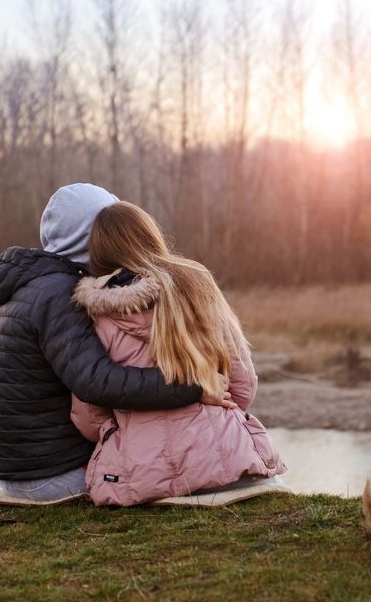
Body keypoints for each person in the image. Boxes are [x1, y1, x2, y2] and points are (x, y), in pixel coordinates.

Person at [0, 183, 234, 505]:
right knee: (163, 467)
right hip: (54, 475)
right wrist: (195, 386)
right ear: (94, 235)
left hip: (16, 472)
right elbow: (98, 383)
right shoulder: (61, 292)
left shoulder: (18, 287)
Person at [70, 201, 286, 506]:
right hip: (228, 462)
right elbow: (243, 384)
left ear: (99, 251)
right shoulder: (196, 284)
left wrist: (127, 431)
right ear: (150, 235)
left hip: (141, 476)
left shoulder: (95, 315)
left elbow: (89, 417)